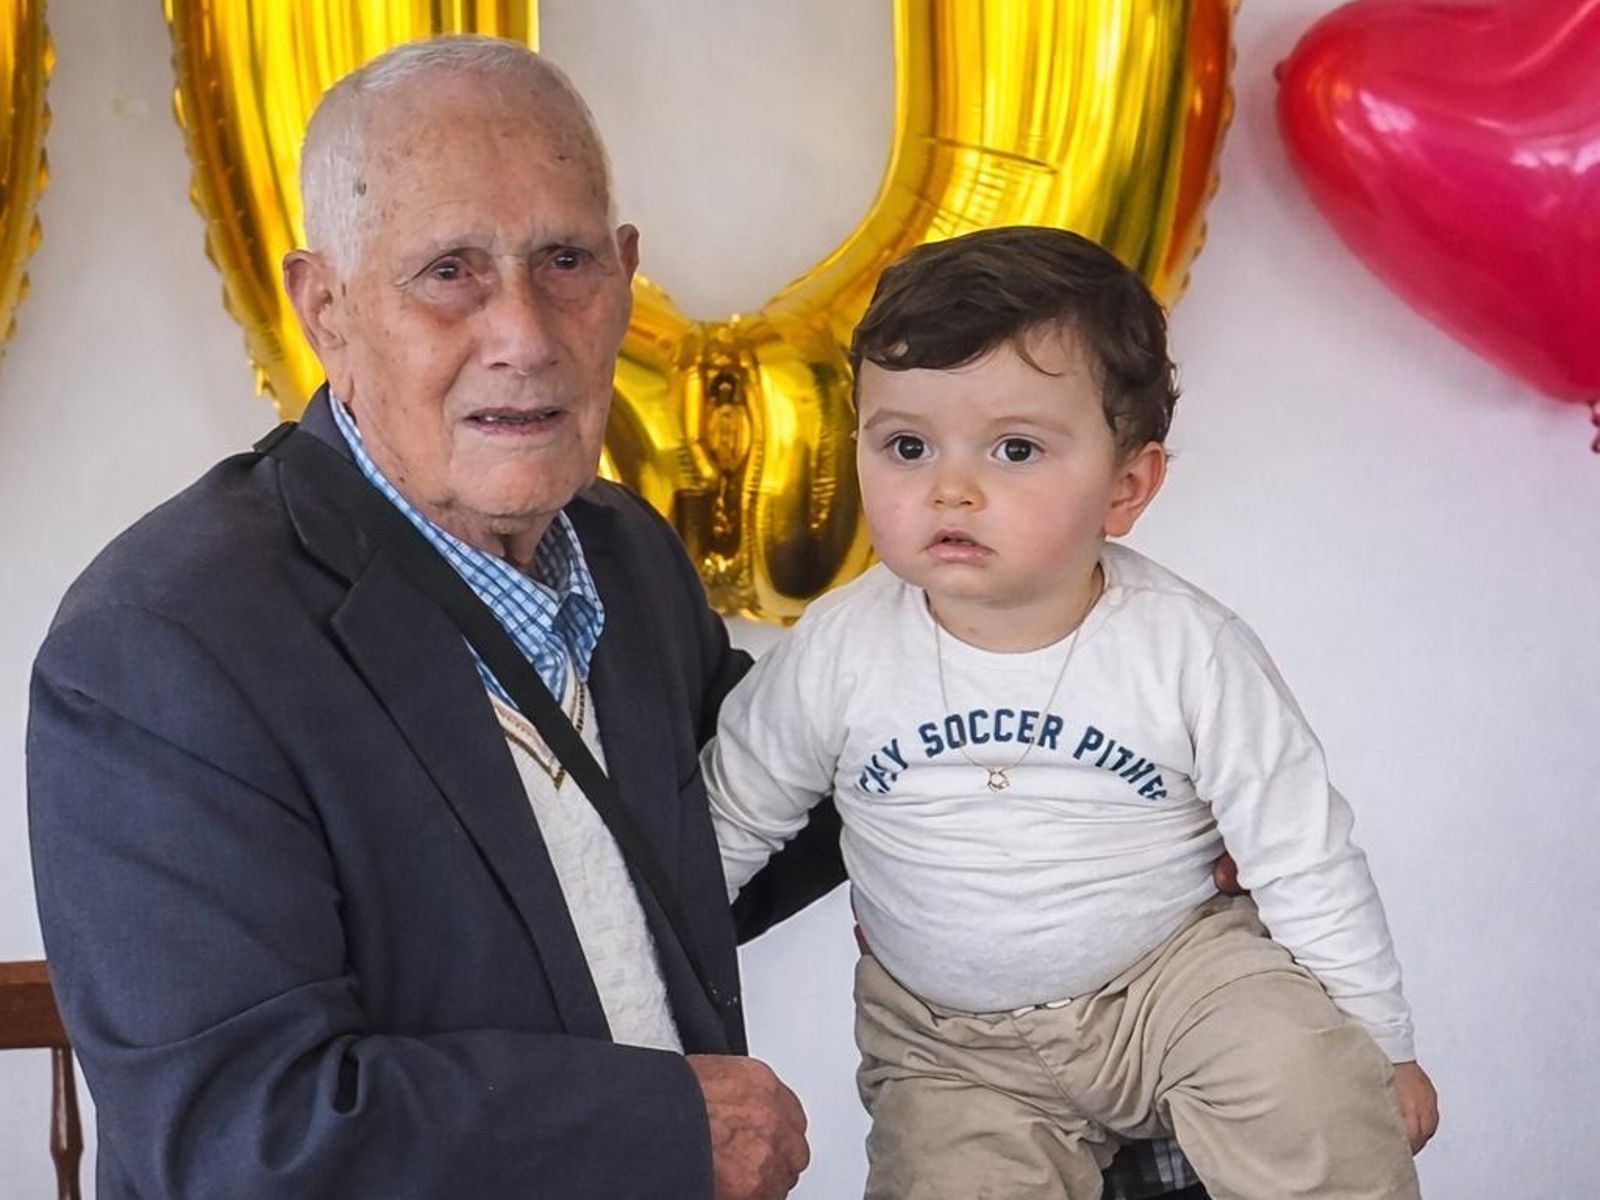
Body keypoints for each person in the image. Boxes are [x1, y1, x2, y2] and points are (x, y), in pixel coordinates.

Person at [26, 35, 821, 1200]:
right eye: (448, 270)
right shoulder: (157, 643)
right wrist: (661, 1133)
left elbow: (725, 836)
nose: (525, 335)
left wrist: (1125, 792)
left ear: (625, 274)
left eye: (565, 260)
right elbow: (240, 1138)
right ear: (326, 309)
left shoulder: (625, 549)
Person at [706, 226, 1440, 1199]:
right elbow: (726, 821)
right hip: (949, 1041)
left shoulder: (1184, 647)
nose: (949, 486)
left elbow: (1299, 850)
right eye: (906, 444)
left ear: (1126, 486)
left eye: (1014, 448)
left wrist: (1378, 1045)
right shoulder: (838, 650)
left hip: (1176, 983)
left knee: (1309, 1093)